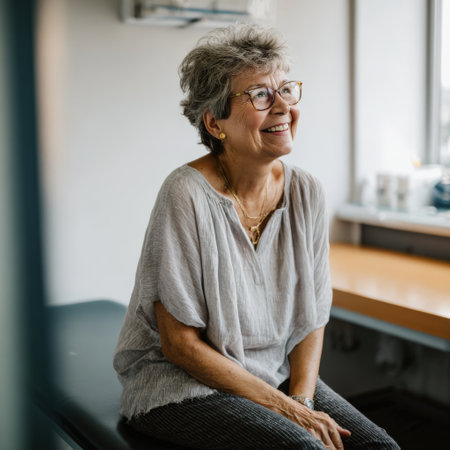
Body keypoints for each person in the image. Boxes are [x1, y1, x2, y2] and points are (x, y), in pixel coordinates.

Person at [113, 24, 400, 450]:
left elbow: (311, 319)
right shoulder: (185, 194)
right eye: (261, 95)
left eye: (286, 89)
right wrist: (288, 412)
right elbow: (179, 346)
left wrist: (300, 399)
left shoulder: (307, 191)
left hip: (274, 374)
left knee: (380, 448)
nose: (283, 106)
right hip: (181, 386)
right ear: (215, 122)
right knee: (303, 446)